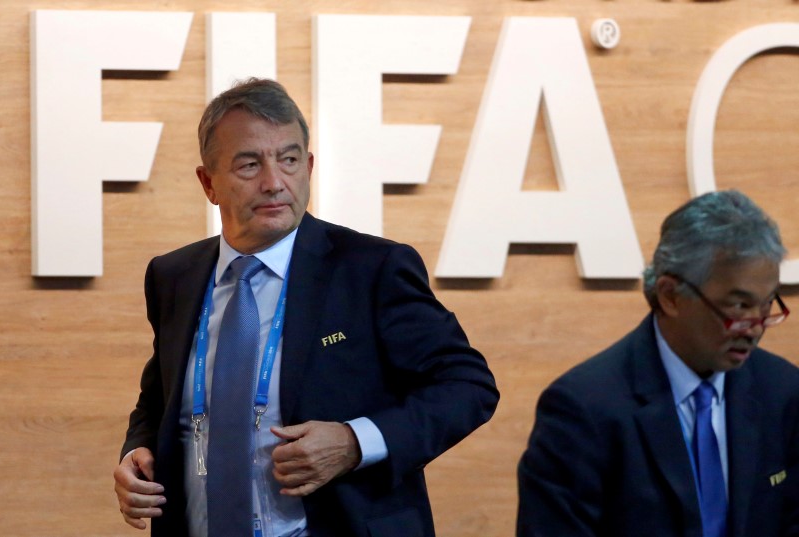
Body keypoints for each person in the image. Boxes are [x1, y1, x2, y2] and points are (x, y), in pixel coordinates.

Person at [113, 78, 499, 537]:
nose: (275, 183)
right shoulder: (173, 276)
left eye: (290, 160)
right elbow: (160, 397)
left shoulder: (372, 269)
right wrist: (136, 452)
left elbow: (467, 386)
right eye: (249, 164)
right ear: (208, 182)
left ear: (309, 167)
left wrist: (356, 442)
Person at [517, 190, 799, 537]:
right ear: (670, 295)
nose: (756, 328)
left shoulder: (783, 391)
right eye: (739, 307)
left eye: (766, 305)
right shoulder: (583, 409)